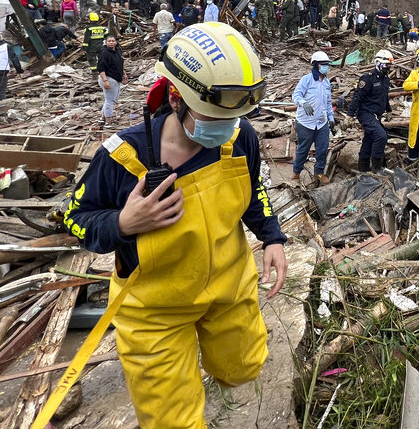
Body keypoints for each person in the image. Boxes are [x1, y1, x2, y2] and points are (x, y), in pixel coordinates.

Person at [60, 22, 287, 429]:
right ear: (175, 97)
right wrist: (123, 223)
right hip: (155, 310)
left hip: (228, 288)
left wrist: (272, 236)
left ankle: (212, 360)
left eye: (236, 116)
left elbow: (253, 190)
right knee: (174, 422)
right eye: (216, 115)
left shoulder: (239, 138)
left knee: (243, 368)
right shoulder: (122, 158)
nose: (228, 126)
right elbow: (75, 219)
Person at [347, 49, 393, 172]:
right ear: (378, 63)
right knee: (381, 136)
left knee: (369, 139)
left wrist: (388, 110)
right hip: (365, 113)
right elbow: (357, 97)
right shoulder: (367, 79)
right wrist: (350, 115)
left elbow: (384, 97)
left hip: (376, 115)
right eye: (387, 64)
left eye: (390, 64)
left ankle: (363, 168)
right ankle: (377, 168)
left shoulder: (385, 79)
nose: (388, 67)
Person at [292, 51, 335, 181]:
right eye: (324, 64)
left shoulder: (327, 83)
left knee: (322, 148)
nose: (326, 67)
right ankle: (296, 171)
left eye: (327, 64)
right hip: (305, 122)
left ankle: (319, 172)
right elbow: (296, 95)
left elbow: (328, 102)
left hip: (321, 122)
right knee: (303, 149)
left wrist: (331, 117)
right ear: (316, 65)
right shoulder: (307, 80)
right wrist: (303, 103)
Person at [97, 35, 127, 127]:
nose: (111, 42)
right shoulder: (104, 53)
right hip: (108, 78)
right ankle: (108, 122)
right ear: (106, 43)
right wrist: (105, 80)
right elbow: (101, 68)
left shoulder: (117, 52)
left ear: (116, 42)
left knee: (111, 100)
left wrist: (124, 74)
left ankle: (102, 118)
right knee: (110, 101)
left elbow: (120, 64)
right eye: (109, 41)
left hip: (116, 78)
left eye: (113, 41)